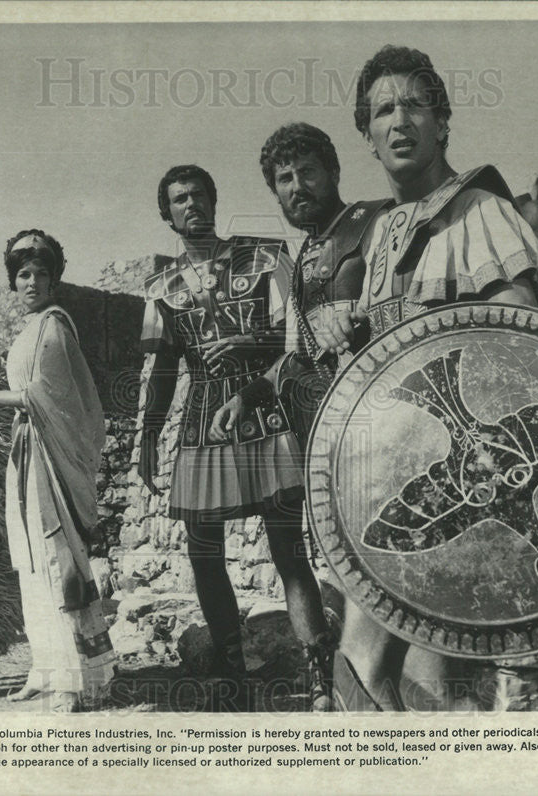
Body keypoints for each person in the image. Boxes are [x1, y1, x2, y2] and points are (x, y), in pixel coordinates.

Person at [309, 46, 538, 711]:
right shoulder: (381, 232)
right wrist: (345, 333)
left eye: (415, 105)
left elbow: (525, 332)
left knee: (410, 674)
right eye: (383, 111)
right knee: (380, 673)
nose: (400, 122)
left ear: (442, 122)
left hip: (463, 483)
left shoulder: (478, 209)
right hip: (387, 478)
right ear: (366, 135)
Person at [208, 123, 393, 707]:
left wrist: (364, 319)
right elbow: (297, 352)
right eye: (283, 180)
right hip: (319, 435)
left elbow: (413, 305)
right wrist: (249, 396)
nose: (297, 186)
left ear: (334, 172)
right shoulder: (301, 256)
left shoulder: (379, 223)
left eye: (307, 172)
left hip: (381, 431)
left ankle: (380, 695)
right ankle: (337, 689)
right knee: (330, 564)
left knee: (384, 563)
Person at [138, 165, 333, 710]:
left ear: (214, 199)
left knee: (288, 550)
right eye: (179, 199)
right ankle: (229, 673)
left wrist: (249, 344)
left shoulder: (265, 256)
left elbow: (300, 335)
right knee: (203, 553)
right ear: (167, 213)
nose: (191, 204)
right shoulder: (160, 287)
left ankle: (320, 674)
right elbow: (160, 369)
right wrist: (149, 432)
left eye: (200, 193)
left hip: (264, 408)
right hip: (202, 419)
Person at [0, 230, 116, 712]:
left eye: (41, 274)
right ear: (14, 281)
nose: (32, 282)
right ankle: (45, 667)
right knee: (30, 561)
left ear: (54, 280)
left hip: (52, 455)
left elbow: (54, 397)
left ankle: (76, 676)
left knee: (55, 557)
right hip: (28, 452)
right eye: (23, 274)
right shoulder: (28, 330)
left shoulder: (54, 326)